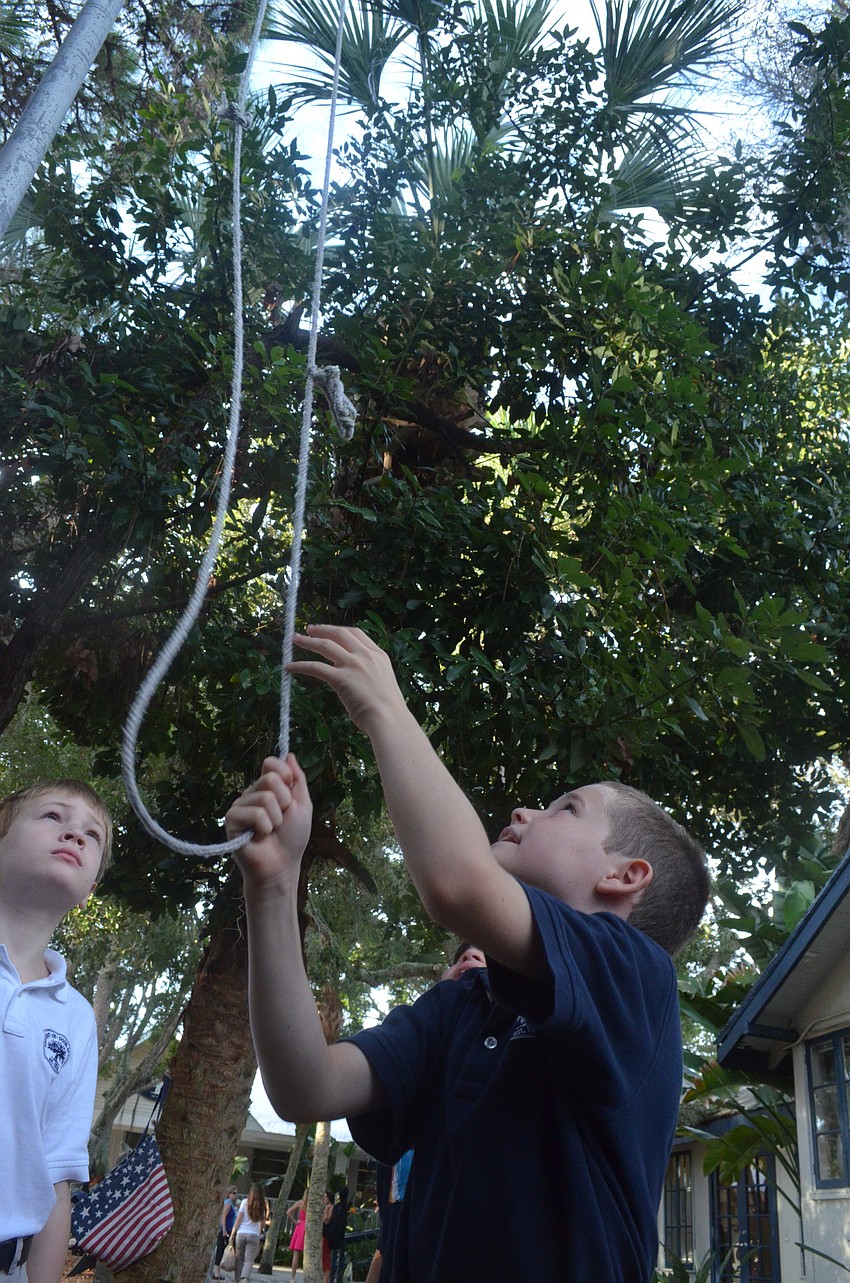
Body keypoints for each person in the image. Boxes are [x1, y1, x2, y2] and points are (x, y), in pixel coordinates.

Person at [226, 624, 711, 1283]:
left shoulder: (632, 977)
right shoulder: (464, 1001)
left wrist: (385, 710)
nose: (523, 811)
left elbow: (457, 883)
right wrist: (274, 885)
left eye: (565, 809)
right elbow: (305, 1084)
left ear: (624, 875)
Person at [0, 779, 111, 1283]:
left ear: (91, 892)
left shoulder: (76, 1019)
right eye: (52, 817)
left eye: (93, 835)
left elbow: (57, 1175)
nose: (76, 835)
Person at [229, 1183, 268, 1282]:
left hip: (241, 1233)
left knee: (239, 1259)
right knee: (249, 1260)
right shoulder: (262, 1204)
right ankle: (245, 1278)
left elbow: (239, 1219)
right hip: (254, 1234)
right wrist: (260, 1231)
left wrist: (233, 1233)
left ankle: (237, 1279)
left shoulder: (245, 1202)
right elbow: (262, 1222)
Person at [212, 1183, 239, 1279]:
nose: (236, 1195)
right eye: (234, 1193)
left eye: (236, 1193)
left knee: (222, 1250)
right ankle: (216, 1272)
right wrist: (223, 1229)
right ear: (229, 1193)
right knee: (220, 1250)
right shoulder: (228, 1204)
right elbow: (224, 1216)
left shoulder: (232, 1204)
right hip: (225, 1230)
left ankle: (218, 1271)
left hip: (229, 1229)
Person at [323, 1187, 349, 1283]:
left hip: (329, 1235)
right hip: (338, 1236)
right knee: (331, 1259)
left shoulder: (335, 1207)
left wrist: (325, 1213)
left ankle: (327, 1280)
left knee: (327, 1260)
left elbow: (327, 1221)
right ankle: (332, 1279)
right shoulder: (344, 1207)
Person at [285, 1193, 306, 1280]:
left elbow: (288, 1212)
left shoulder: (301, 1203)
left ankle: (293, 1277)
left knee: (296, 1254)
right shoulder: (313, 1204)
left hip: (300, 1226)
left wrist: (295, 1222)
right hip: (307, 1226)